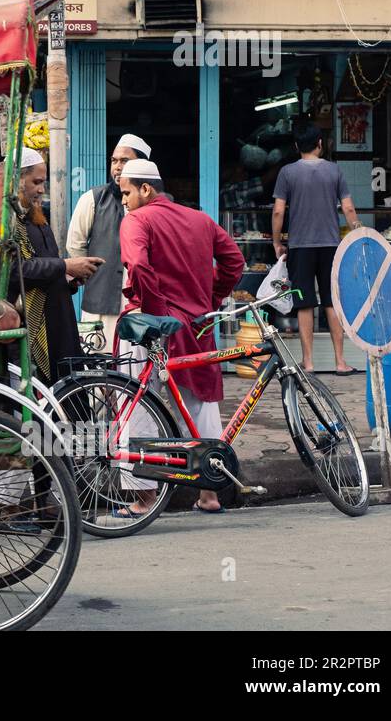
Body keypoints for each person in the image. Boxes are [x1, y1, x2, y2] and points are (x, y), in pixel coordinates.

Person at [117, 158, 245, 515]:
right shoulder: (200, 220)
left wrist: (156, 309)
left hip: (151, 324)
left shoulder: (137, 220)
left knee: (137, 399)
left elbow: (139, 265)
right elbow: (235, 261)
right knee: (199, 402)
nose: (124, 200)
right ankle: (209, 492)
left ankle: (143, 497)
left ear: (146, 189)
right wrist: (211, 298)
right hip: (197, 323)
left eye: (127, 192)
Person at [0, 147, 104, 384]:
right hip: (29, 325)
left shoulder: (33, 216)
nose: (42, 189)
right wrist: (65, 266)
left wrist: (69, 276)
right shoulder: (2, 221)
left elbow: (46, 264)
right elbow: (11, 271)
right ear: (17, 180)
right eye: (36, 182)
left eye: (43, 182)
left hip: (56, 318)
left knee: (67, 388)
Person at [272, 126, 361, 374]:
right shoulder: (334, 171)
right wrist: (358, 232)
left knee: (304, 304)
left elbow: (279, 211)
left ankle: (308, 363)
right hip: (331, 245)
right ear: (320, 143)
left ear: (297, 147)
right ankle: (341, 362)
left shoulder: (287, 172)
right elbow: (349, 208)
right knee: (332, 302)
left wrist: (277, 242)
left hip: (300, 246)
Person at [66, 133, 152, 351]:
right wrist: (94, 277)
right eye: (114, 161)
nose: (117, 167)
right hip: (101, 304)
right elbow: (75, 245)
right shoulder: (93, 199)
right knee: (98, 371)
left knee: (137, 372)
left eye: (124, 160)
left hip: (141, 307)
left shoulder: (156, 205)